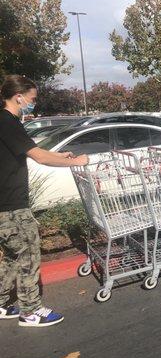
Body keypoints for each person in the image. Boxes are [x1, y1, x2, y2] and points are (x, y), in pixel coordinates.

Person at [0, 75, 89, 327]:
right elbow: (38, 157)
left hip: (5, 203)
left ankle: (1, 302)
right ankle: (31, 310)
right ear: (19, 96)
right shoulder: (7, 121)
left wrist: (59, 155)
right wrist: (75, 162)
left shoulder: (6, 122)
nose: (33, 102)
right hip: (11, 206)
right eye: (32, 98)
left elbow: (32, 151)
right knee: (27, 253)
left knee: (11, 256)